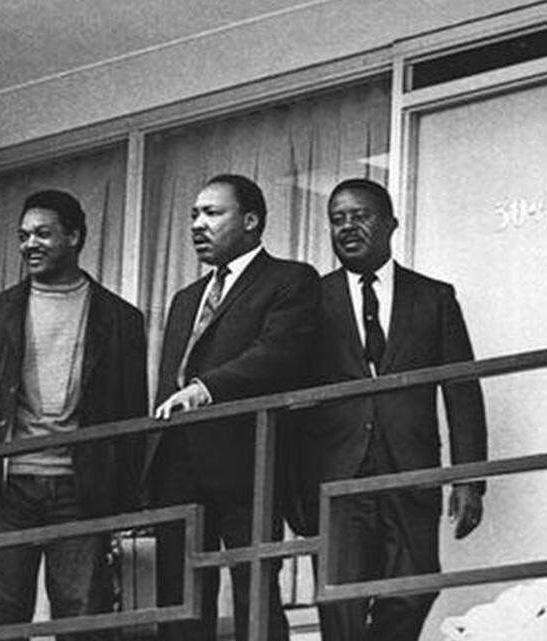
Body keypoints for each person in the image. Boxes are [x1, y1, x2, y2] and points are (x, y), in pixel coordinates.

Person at [0, 190, 147, 640]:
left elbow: (132, 413)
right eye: (23, 236)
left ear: (74, 236)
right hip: (6, 489)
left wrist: (129, 502)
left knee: (82, 613)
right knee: (1, 612)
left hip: (82, 489)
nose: (29, 244)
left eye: (42, 233)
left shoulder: (120, 319)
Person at [301, 178, 487, 641]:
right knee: (339, 601)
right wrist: (293, 490)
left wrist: (469, 478)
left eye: (359, 216)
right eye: (337, 218)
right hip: (335, 477)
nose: (347, 227)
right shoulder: (308, 300)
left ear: (390, 224)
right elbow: (289, 397)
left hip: (410, 468)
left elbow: (461, 387)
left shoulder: (434, 297)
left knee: (415, 587)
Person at [146, 174, 319, 641]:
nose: (198, 224)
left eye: (212, 213)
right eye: (193, 215)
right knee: (179, 603)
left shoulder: (290, 280)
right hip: (178, 466)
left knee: (255, 596)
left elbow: (278, 354)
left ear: (250, 221)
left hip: (250, 463)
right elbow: (168, 383)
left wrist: (207, 389)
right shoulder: (185, 299)